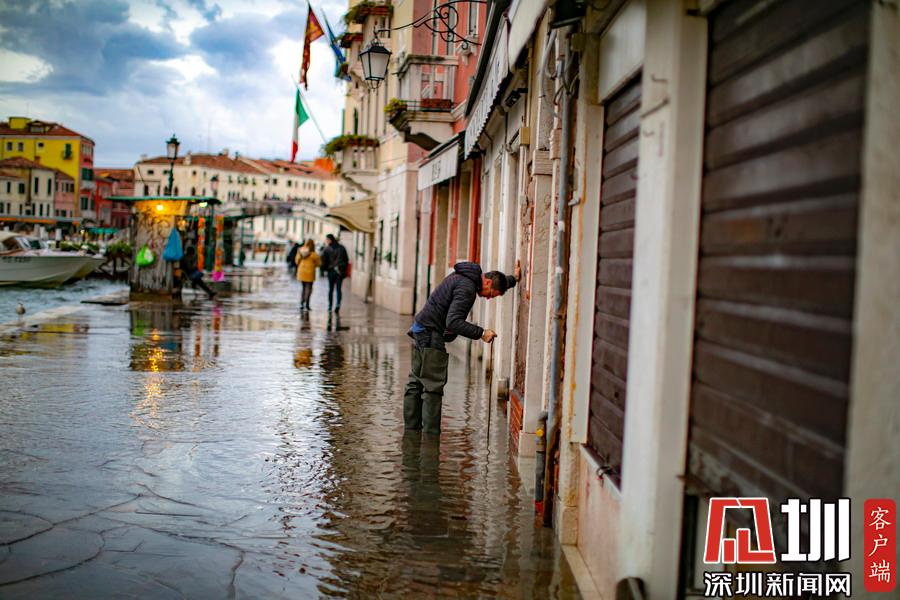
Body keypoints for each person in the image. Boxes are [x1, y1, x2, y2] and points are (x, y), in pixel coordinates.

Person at [403, 261, 520, 434]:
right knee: (433, 387)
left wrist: (513, 279)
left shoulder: (465, 276)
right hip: (430, 334)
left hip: (421, 328)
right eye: (491, 294)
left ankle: (411, 433)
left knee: (416, 382)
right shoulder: (467, 289)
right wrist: (482, 333)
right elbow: (453, 322)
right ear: (487, 282)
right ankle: (431, 438)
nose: (488, 298)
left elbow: (499, 281)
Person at [321, 233, 349, 313]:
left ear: (330, 240)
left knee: (331, 289)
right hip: (339, 271)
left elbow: (324, 261)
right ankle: (337, 304)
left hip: (332, 271)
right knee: (338, 289)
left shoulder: (327, 249)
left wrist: (324, 269)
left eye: (327, 239)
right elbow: (346, 260)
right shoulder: (342, 248)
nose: (326, 241)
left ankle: (330, 306)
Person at [295, 239, 321, 311]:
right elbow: (319, 263)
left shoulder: (300, 251)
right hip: (310, 272)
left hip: (301, 271)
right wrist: (313, 265)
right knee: (309, 288)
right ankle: (307, 304)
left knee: (303, 288)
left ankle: (301, 303)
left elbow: (297, 261)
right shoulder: (314, 254)